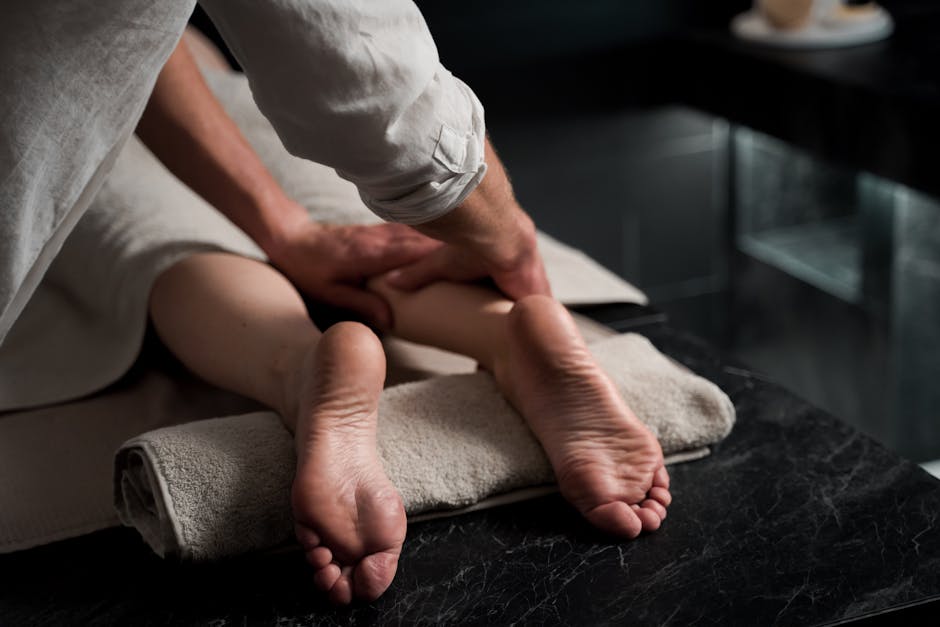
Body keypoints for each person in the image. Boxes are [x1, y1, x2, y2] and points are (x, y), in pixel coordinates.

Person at [139, 35, 671, 605]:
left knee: (166, 241)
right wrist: (497, 223)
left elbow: (135, 55)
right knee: (354, 233)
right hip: (237, 94)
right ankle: (503, 336)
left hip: (114, 105)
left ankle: (298, 367)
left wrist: (285, 234)